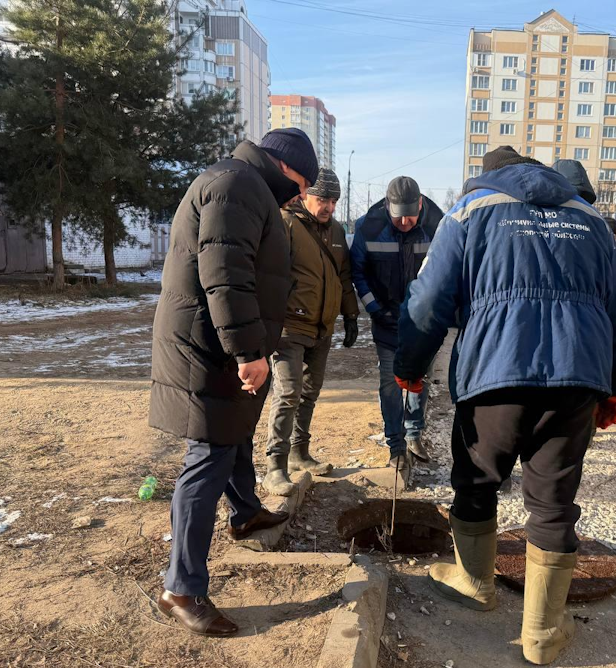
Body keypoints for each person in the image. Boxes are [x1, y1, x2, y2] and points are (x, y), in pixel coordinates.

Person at [394, 146, 616, 665]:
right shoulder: (590, 219)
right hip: (576, 377)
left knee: (477, 481)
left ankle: (474, 582)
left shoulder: (469, 212)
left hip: (494, 372)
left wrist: (410, 367)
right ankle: (543, 634)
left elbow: (428, 300)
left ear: (490, 177)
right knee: (552, 500)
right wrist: (615, 386)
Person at [149, 129, 318, 635]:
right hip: (210, 349)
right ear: (287, 168)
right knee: (207, 458)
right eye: (303, 183)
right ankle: (181, 587)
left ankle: (245, 513)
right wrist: (247, 350)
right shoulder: (238, 186)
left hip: (215, 342)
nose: (301, 194)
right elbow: (225, 273)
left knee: (234, 430)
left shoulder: (240, 181)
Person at [263, 168, 359, 495]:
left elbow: (343, 277)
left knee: (310, 392)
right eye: (323, 199)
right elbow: (270, 274)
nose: (329, 207)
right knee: (288, 393)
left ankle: (298, 454)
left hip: (322, 327)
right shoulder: (286, 223)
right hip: (290, 327)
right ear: (307, 195)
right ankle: (274, 465)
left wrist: (350, 316)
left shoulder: (337, 232)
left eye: (334, 201)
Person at [350, 176, 441, 468]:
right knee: (390, 382)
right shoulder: (369, 227)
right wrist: (374, 308)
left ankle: (414, 433)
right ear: (388, 206)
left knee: (418, 379)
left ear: (421, 204)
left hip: (424, 322)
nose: (404, 222)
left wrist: (434, 311)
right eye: (398, 215)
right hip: (385, 317)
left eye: (410, 215)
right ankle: (396, 444)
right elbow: (358, 272)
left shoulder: (438, 226)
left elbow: (446, 272)